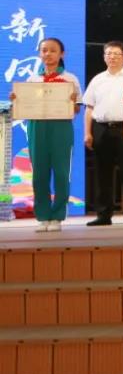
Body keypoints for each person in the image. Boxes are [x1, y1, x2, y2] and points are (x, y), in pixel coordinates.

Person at [9, 38, 81, 232]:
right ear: (40, 54)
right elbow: (22, 107)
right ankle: (43, 216)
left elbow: (76, 110)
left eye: (53, 50)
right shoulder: (32, 80)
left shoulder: (70, 79)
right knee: (39, 173)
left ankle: (57, 216)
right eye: (44, 50)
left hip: (61, 128)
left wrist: (72, 102)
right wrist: (16, 99)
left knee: (61, 173)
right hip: (37, 127)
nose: (48, 54)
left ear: (62, 54)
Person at [82, 41, 123, 225]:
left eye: (116, 54)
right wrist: (87, 133)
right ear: (104, 57)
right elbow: (89, 108)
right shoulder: (98, 79)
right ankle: (103, 215)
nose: (112, 57)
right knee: (102, 173)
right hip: (101, 128)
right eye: (108, 54)